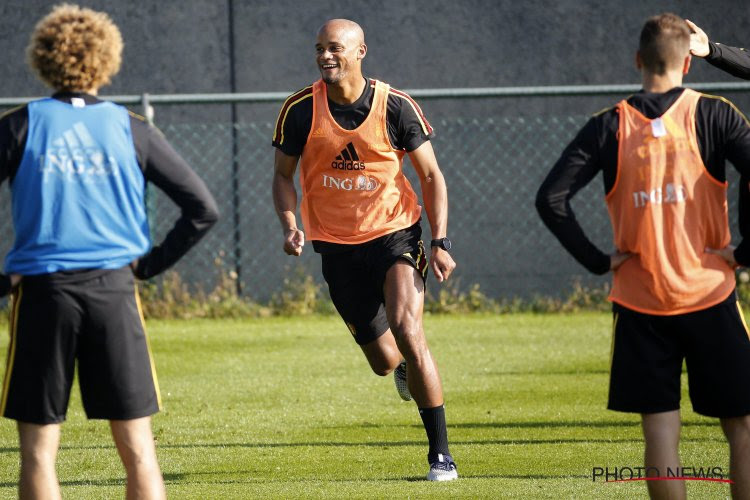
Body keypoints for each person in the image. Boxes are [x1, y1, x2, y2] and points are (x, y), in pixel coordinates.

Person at [0, 5, 219, 499]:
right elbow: (203, 209)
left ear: (43, 58)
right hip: (114, 292)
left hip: (42, 294)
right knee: (139, 449)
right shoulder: (131, 127)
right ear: (107, 59)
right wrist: (149, 264)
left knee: (38, 452)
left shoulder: (19, 125)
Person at [536, 13, 750, 499]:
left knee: (660, 432)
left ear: (637, 60)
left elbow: (551, 199)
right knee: (741, 426)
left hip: (640, 299)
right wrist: (745, 250)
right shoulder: (716, 114)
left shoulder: (608, 125)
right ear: (688, 64)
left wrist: (596, 260)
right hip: (710, 292)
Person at [272, 18, 458, 481]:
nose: (325, 56)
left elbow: (431, 176)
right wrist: (291, 223)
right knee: (384, 361)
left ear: (360, 51)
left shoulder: (395, 106)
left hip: (396, 233)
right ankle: (402, 370)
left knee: (407, 329)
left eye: (335, 47)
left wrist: (440, 241)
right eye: (319, 48)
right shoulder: (299, 109)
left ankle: (441, 455)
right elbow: (282, 177)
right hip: (336, 246)